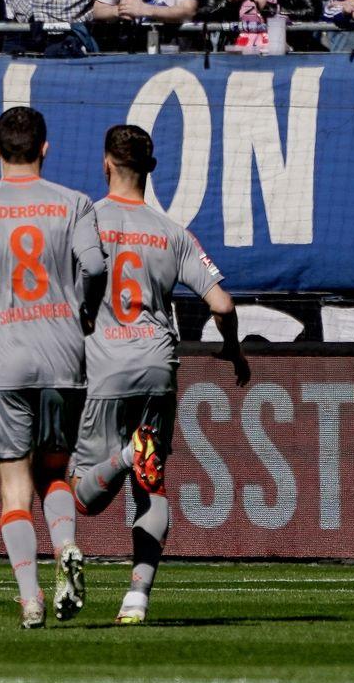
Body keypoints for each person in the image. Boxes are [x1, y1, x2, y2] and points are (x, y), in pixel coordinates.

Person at [69, 123, 246, 624]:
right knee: (153, 486)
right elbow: (222, 302)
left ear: (106, 163)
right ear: (151, 169)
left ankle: (128, 453)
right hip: (157, 363)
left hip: (103, 364)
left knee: (84, 498)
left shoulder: (85, 221)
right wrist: (234, 353)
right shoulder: (173, 233)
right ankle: (137, 599)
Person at [0, 106, 108, 628]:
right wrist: (83, 307)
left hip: (3, 361)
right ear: (45, 148)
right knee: (55, 471)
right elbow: (96, 265)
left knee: (14, 487)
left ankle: (31, 598)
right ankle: (66, 545)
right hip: (62, 355)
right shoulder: (76, 204)